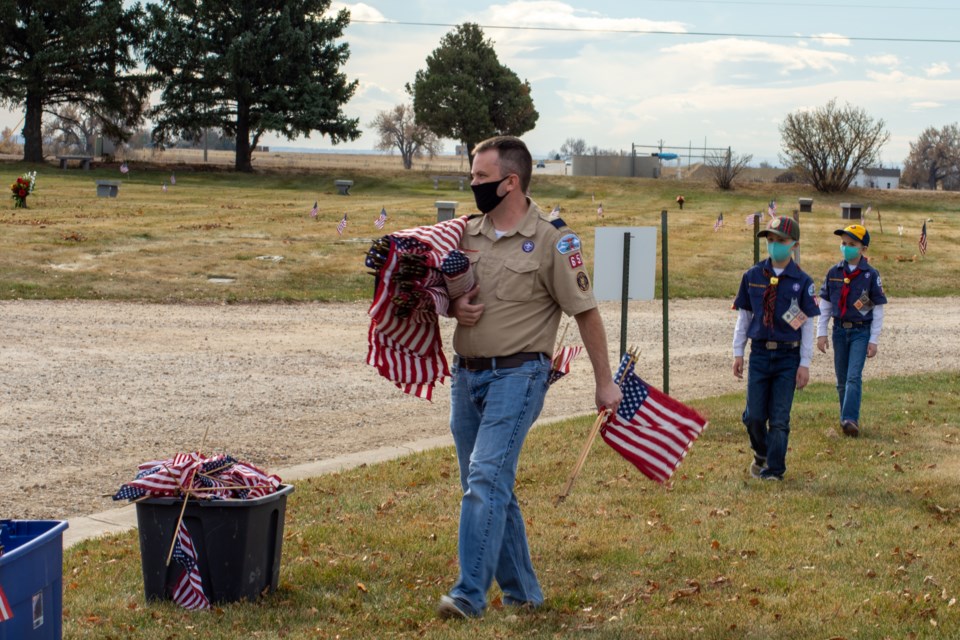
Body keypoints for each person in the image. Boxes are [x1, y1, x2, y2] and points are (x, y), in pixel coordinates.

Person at [438, 136, 622, 619]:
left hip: (519, 376)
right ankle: (524, 595)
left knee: (485, 478)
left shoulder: (554, 239)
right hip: (466, 376)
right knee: (489, 484)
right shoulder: (465, 234)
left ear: (510, 182)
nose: (473, 183)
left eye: (481, 177)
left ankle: (468, 595)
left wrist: (605, 383)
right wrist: (456, 304)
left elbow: (586, 313)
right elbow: (442, 293)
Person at [732, 216, 819, 481]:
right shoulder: (753, 276)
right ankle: (761, 453)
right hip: (759, 353)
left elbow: (806, 326)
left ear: (794, 244)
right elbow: (744, 317)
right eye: (770, 241)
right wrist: (738, 352)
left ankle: (774, 470)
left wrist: (804, 363)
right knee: (755, 416)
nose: (774, 246)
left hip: (787, 357)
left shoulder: (802, 282)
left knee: (779, 418)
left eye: (780, 241)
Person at [816, 224, 887, 437]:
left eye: (852, 245)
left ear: (863, 248)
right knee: (841, 379)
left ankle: (850, 419)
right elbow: (825, 304)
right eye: (844, 244)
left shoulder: (870, 275)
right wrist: (821, 333)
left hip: (860, 332)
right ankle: (844, 418)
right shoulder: (834, 273)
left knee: (853, 376)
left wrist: (873, 340)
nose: (846, 248)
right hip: (839, 331)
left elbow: (878, 309)